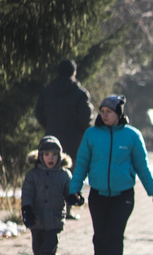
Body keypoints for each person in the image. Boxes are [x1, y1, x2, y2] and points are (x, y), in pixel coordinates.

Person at [67, 95, 153, 255]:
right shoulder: (91, 135)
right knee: (100, 236)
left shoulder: (132, 136)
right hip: (98, 194)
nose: (105, 115)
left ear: (119, 113)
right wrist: (74, 189)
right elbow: (82, 163)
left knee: (115, 234)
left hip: (123, 194)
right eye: (102, 112)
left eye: (109, 112)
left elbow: (142, 166)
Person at [35, 58, 93, 220]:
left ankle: (51, 208)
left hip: (52, 137)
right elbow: (86, 117)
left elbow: (38, 112)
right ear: (74, 73)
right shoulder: (80, 93)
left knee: (50, 171)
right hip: (74, 139)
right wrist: (82, 130)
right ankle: (67, 210)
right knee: (72, 174)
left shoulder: (47, 91)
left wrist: (48, 126)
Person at [21, 136, 73, 255]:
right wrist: (27, 209)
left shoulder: (64, 175)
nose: (51, 158)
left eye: (54, 155)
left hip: (55, 220)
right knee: (38, 249)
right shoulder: (33, 175)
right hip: (36, 220)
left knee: (49, 249)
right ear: (40, 156)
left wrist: (74, 197)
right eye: (47, 154)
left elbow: (69, 192)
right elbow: (27, 194)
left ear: (60, 156)